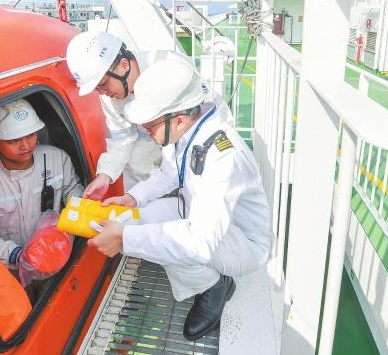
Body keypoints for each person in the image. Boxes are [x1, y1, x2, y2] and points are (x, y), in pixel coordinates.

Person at [86, 59, 272, 341]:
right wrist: (133, 198)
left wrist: (125, 238)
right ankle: (207, 280)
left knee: (162, 241)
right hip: (199, 215)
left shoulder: (222, 156)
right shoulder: (187, 132)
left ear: (179, 119)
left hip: (243, 242)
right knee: (138, 222)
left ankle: (214, 287)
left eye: (150, 124)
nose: (145, 129)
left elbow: (199, 241)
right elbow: (169, 174)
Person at [66, 30, 226, 199]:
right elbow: (122, 139)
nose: (102, 93)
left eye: (103, 84)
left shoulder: (172, 66)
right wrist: (105, 175)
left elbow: (206, 116)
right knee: (139, 172)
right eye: (96, 88)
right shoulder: (109, 96)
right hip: (151, 165)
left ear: (124, 65)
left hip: (191, 147)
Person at [0, 99, 83, 282]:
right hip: (10, 272)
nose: (26, 146)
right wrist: (19, 256)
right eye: (14, 140)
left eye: (30, 135)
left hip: (58, 256)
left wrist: (79, 207)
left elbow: (72, 190)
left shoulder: (57, 158)